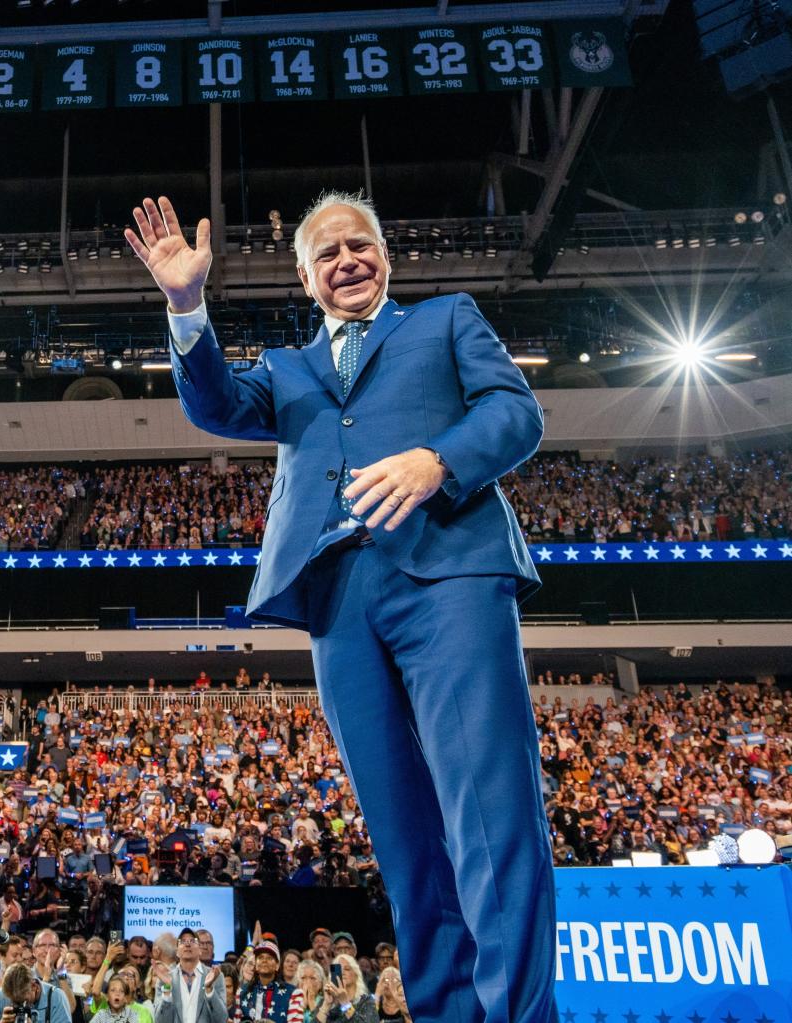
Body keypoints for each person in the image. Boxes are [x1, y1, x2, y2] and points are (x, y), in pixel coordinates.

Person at [125, 193, 555, 1023]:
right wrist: (185, 304)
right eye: (327, 254)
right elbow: (212, 403)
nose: (346, 260)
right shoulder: (285, 370)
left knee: (490, 814)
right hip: (338, 598)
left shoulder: (446, 321)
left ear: (385, 257)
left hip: (448, 574)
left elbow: (516, 412)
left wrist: (438, 460)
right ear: (304, 276)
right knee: (402, 836)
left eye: (360, 246)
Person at [152, 929, 225, 1023]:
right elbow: (160, 1021)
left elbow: (221, 1019)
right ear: (177, 951)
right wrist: (167, 989)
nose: (187, 944)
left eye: (192, 941)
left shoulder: (216, 977)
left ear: (200, 950)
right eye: (182, 941)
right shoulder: (165, 979)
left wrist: (209, 989)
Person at [234, 940, 296, 1023]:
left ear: (277, 965)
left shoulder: (293, 993)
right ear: (255, 965)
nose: (264, 960)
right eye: (260, 957)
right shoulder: (242, 992)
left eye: (269, 958)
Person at [0, 962, 73, 1023]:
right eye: (14, 1001)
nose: (19, 1005)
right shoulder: (1, 996)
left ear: (34, 986)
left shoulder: (56, 997)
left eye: (23, 1001)